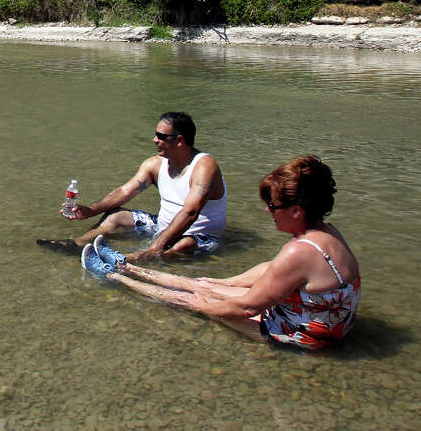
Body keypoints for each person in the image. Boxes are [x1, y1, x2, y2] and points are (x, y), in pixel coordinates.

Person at [88, 155, 360, 350]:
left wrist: (203, 305)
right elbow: (271, 269)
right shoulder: (327, 232)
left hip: (301, 335)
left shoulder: (298, 251)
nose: (268, 211)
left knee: (192, 298)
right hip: (324, 321)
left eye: (273, 206)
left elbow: (246, 307)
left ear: (296, 211)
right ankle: (127, 266)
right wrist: (220, 284)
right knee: (206, 285)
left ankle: (114, 276)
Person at [37, 111, 226, 259]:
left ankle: (131, 260)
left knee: (185, 245)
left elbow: (190, 212)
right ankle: (77, 245)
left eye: (161, 136)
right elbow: (125, 192)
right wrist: (89, 211)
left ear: (179, 141)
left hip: (199, 236)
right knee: (115, 215)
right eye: (155, 135)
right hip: (162, 226)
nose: (155, 140)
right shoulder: (155, 164)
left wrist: (154, 247)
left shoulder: (203, 166)